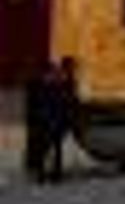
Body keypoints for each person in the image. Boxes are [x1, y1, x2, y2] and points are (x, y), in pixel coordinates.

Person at [40, 56, 79, 184]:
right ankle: (50, 173)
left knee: (52, 148)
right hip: (54, 118)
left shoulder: (65, 81)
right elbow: (60, 101)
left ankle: (52, 173)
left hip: (57, 118)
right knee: (50, 147)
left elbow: (69, 100)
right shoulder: (57, 83)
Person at [20, 61, 50, 183]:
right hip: (38, 121)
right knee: (38, 146)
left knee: (35, 146)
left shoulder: (34, 85)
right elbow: (39, 104)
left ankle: (34, 169)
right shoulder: (38, 86)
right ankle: (37, 171)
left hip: (35, 120)